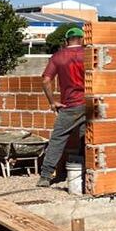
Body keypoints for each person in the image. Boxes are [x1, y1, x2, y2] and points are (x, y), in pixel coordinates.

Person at [37, 26, 86, 187]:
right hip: (90, 104)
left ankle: (45, 176)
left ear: (66, 41)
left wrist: (52, 102)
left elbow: (46, 81)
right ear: (82, 39)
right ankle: (86, 171)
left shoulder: (58, 56)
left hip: (70, 105)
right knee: (87, 139)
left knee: (58, 140)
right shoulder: (88, 54)